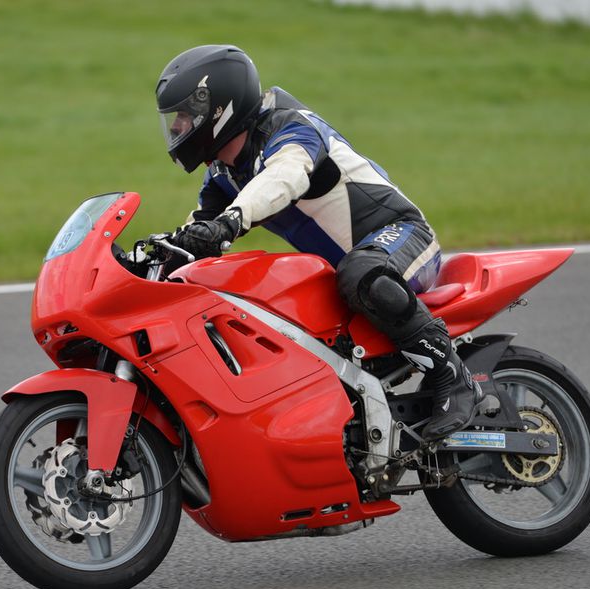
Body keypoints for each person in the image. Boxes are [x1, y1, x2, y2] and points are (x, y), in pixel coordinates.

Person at [155, 44, 481, 442]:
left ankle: (454, 377)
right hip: (342, 275)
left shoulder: (290, 127)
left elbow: (284, 177)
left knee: (362, 273)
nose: (177, 128)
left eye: (186, 116)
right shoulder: (224, 172)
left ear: (217, 108)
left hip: (404, 238)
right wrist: (154, 255)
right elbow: (198, 231)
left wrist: (232, 222)